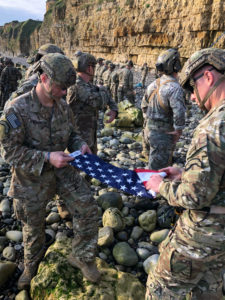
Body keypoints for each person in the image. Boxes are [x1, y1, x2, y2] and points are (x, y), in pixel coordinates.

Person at [0, 53, 100, 290]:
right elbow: (9, 152)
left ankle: (83, 256)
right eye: (60, 87)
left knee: (88, 207)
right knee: (33, 228)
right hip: (30, 179)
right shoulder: (17, 110)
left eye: (67, 88)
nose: (64, 93)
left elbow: (73, 133)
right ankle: (31, 266)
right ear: (43, 78)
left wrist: (79, 145)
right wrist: (46, 157)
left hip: (62, 170)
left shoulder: (63, 106)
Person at [145, 47, 225, 300]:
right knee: (210, 291)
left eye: (192, 87)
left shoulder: (213, 127)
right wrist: (185, 172)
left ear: (209, 77)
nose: (191, 97)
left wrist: (160, 187)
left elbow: (193, 197)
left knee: (160, 291)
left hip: (202, 235)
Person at [141, 48, 186, 169]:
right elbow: (179, 113)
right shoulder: (174, 88)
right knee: (157, 173)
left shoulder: (153, 84)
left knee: (152, 163)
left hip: (147, 131)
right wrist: (178, 130)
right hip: (162, 135)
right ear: (176, 65)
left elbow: (143, 106)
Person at [67, 52, 118, 154]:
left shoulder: (88, 85)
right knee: (77, 168)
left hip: (89, 135)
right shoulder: (77, 86)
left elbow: (105, 95)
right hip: (78, 139)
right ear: (89, 68)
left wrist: (114, 108)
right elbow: (98, 102)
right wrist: (103, 89)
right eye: (94, 67)